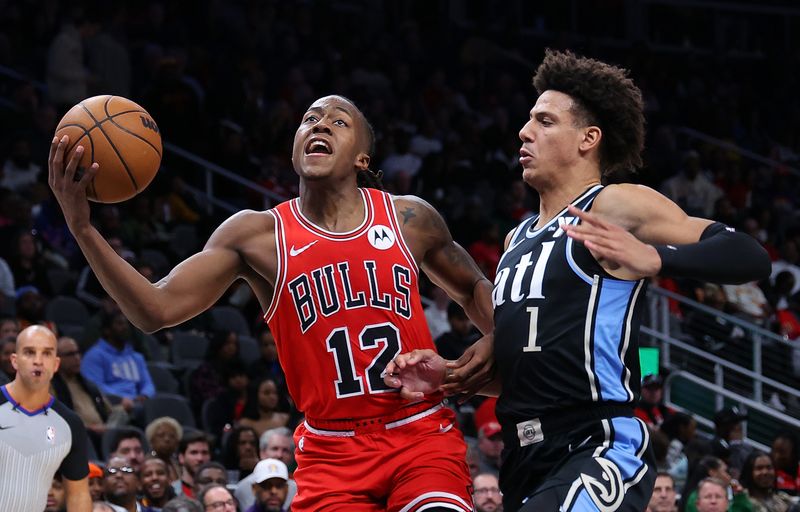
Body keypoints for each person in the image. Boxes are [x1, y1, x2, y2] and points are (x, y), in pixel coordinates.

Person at [49, 93, 494, 511]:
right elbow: (155, 310)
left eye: (339, 121)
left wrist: (496, 340)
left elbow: (475, 288)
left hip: (419, 433)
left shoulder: (408, 218)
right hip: (331, 451)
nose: (320, 125)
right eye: (310, 119)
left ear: (362, 158)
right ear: (296, 145)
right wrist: (83, 229)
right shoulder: (256, 235)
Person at [387, 49, 771, 511]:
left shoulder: (613, 205)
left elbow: (748, 254)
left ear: (588, 138)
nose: (524, 131)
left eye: (545, 121)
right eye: (530, 119)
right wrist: (453, 376)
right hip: (525, 453)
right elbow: (532, 370)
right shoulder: (517, 238)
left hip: (596, 442)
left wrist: (654, 258)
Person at [0, 325, 91, 511]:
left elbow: (79, 495)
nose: (38, 361)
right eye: (30, 352)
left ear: (56, 364)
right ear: (15, 361)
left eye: (47, 354)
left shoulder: (70, 424)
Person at [235, 427, 297, 512]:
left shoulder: (296, 488)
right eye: (275, 448)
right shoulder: (243, 487)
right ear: (262, 452)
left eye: (285, 450)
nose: (279, 455)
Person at [680, 455, 752, 512]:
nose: (713, 501)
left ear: (726, 503)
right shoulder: (694, 496)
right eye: (726, 471)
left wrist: (740, 498)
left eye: (718, 497)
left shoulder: (735, 494)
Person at [172, 431, 211, 498]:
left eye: (204, 453)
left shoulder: (217, 490)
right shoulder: (172, 492)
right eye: (194, 453)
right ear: (181, 457)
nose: (200, 458)